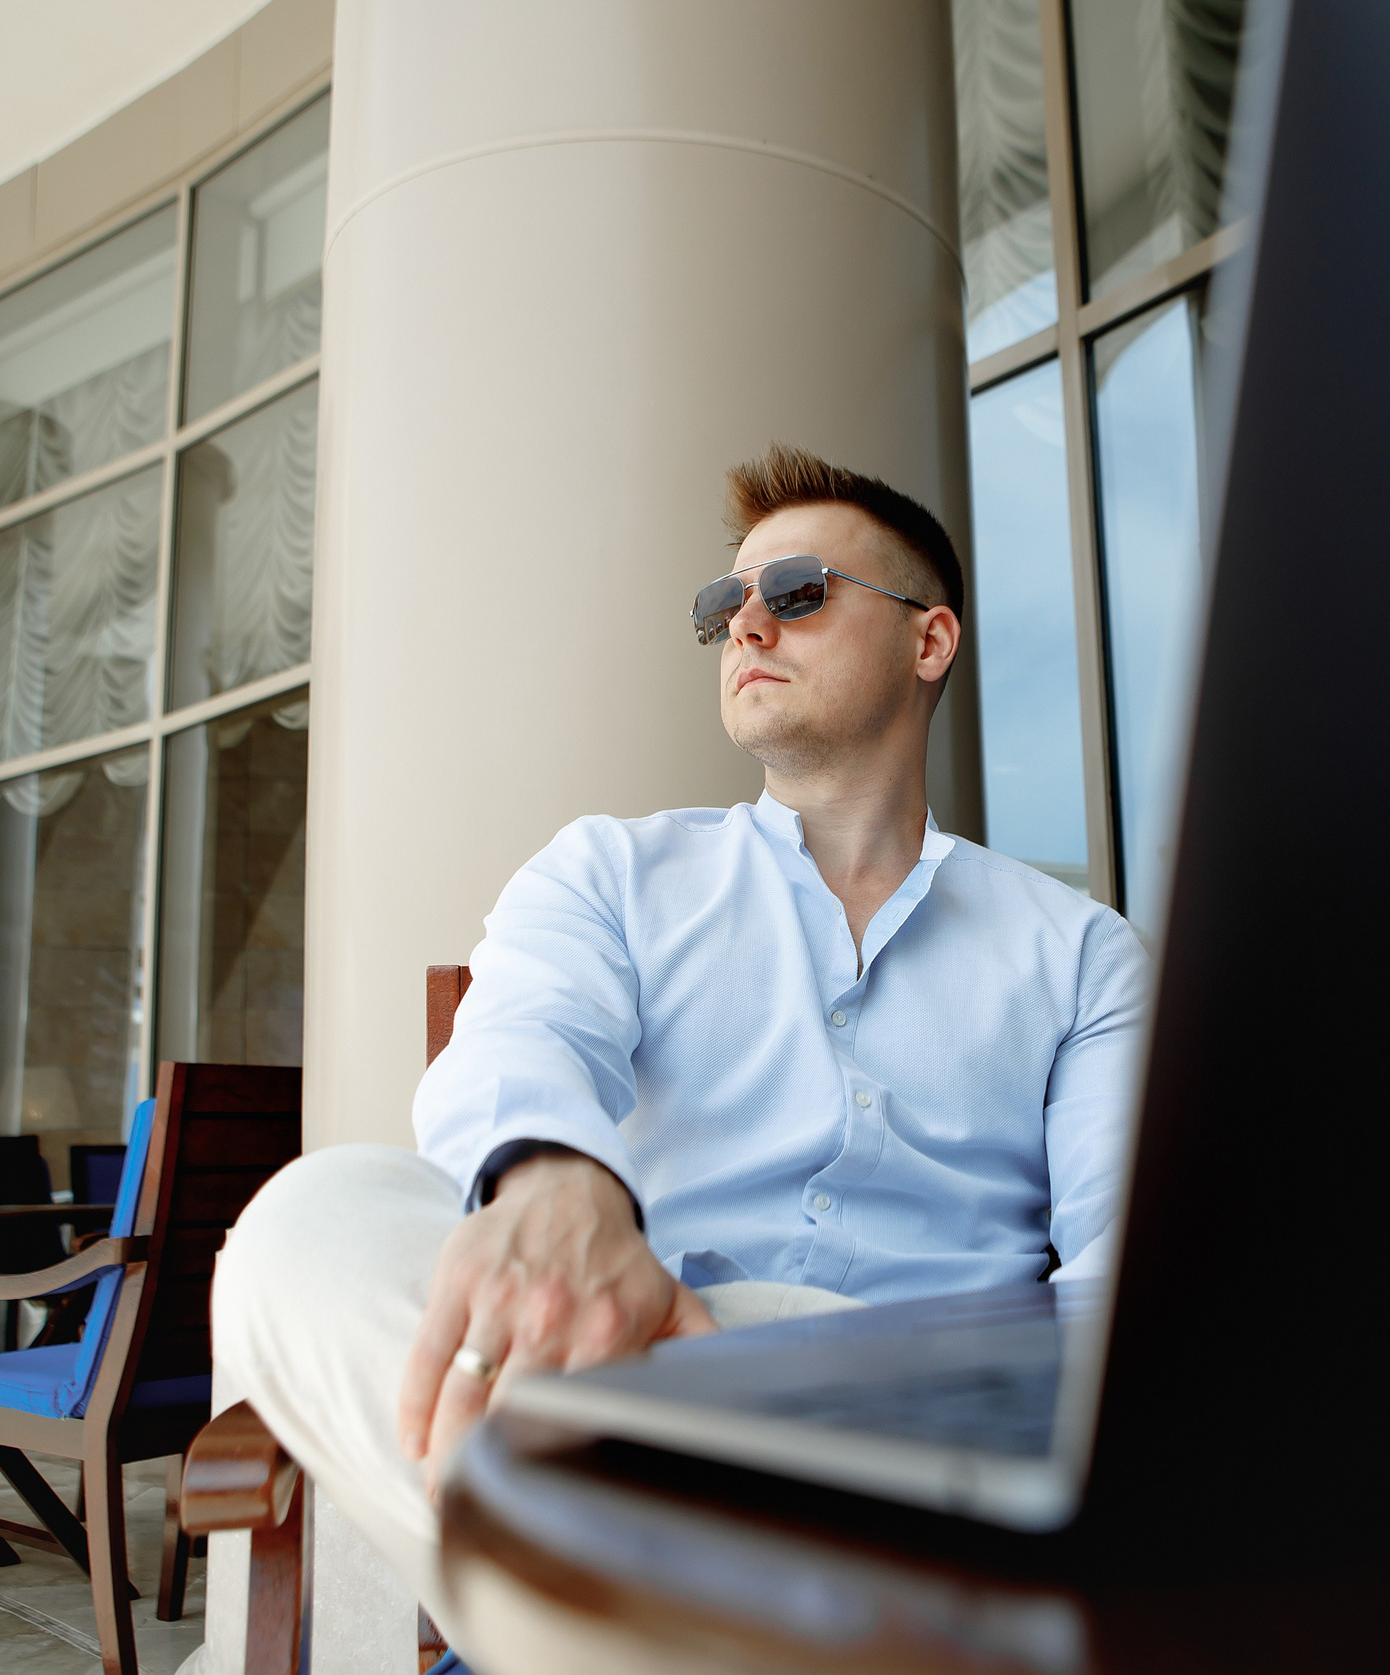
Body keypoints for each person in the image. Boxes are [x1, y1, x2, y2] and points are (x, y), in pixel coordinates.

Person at [205, 443, 1150, 1631]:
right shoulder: (612, 870)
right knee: (310, 1224)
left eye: (797, 592)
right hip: (645, 1382)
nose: (747, 626)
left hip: (928, 1434)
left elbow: (1126, 1287)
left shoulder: (1083, 953)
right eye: (726, 606)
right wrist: (557, 1186)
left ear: (929, 641)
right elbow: (520, 1042)